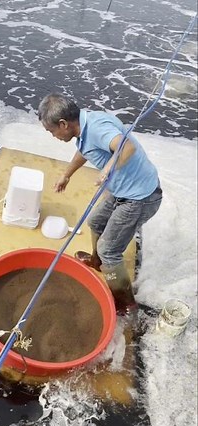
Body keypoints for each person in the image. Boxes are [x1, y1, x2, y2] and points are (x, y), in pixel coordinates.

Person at [38, 93, 162, 315]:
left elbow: (127, 148)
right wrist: (67, 175)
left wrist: (107, 169)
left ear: (63, 124)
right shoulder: (84, 127)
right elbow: (86, 150)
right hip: (121, 190)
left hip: (140, 197)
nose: (53, 136)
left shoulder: (96, 127)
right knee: (95, 221)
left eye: (51, 131)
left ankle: (126, 304)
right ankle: (97, 262)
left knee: (110, 250)